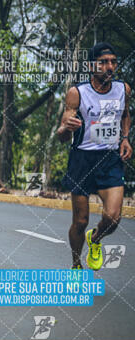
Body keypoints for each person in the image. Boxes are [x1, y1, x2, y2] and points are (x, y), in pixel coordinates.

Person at [58, 42, 132, 270]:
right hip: (82, 160)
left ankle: (96, 239)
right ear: (92, 66)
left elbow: (125, 114)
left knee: (113, 218)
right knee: (80, 221)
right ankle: (76, 264)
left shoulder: (124, 89)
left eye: (113, 62)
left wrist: (126, 138)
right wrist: (65, 128)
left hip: (110, 160)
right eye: (103, 62)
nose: (109, 67)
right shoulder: (77, 93)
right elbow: (61, 135)